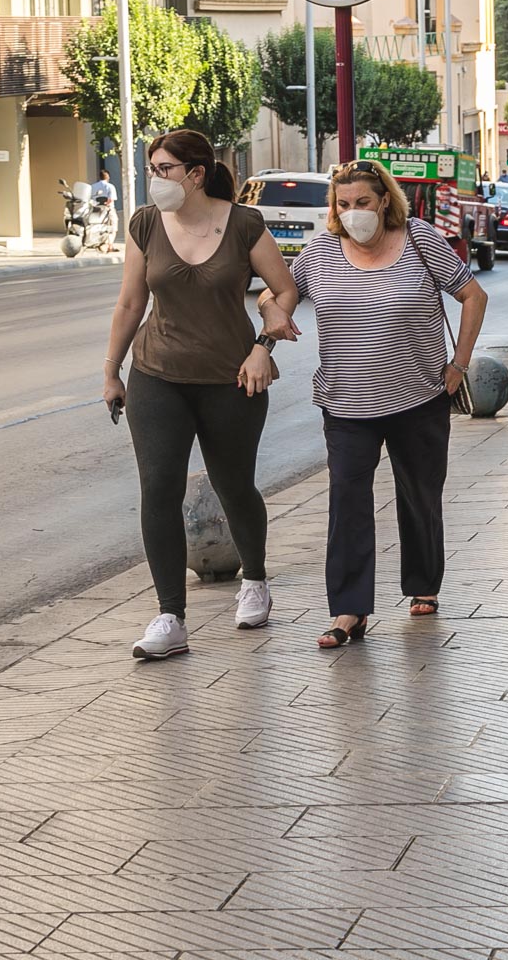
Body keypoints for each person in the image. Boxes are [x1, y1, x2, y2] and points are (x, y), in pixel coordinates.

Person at [259, 159, 489, 648]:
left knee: (420, 495)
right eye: (343, 205)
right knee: (347, 502)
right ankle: (349, 611)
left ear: (385, 199)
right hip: (345, 402)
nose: (353, 212)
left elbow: (473, 295)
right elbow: (277, 295)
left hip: (419, 395)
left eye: (362, 202)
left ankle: (423, 584)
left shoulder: (420, 240)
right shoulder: (319, 251)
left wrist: (459, 363)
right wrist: (272, 315)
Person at [101, 129, 298, 660]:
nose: (153, 179)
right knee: (158, 490)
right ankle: (170, 616)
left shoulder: (243, 224)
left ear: (195, 174)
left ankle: (254, 581)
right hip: (157, 374)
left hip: (233, 378)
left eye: (163, 169)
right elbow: (128, 304)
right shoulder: (144, 224)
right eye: (150, 169)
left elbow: (283, 291)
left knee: (234, 486)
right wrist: (111, 371)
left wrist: (264, 348)